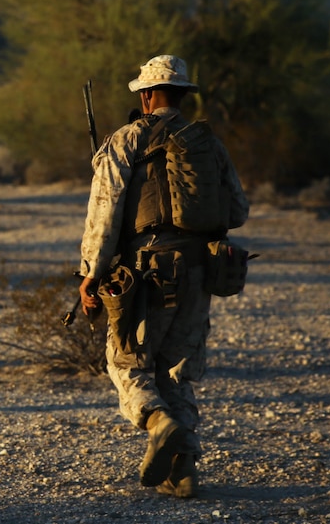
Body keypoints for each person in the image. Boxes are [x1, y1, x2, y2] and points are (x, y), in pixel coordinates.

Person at [76, 54, 249, 498]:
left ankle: (158, 421)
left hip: (147, 269)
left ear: (146, 95)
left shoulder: (127, 138)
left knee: (125, 360)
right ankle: (184, 471)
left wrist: (91, 274)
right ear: (184, 95)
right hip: (201, 267)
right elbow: (238, 211)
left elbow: (105, 212)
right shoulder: (208, 143)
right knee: (177, 370)